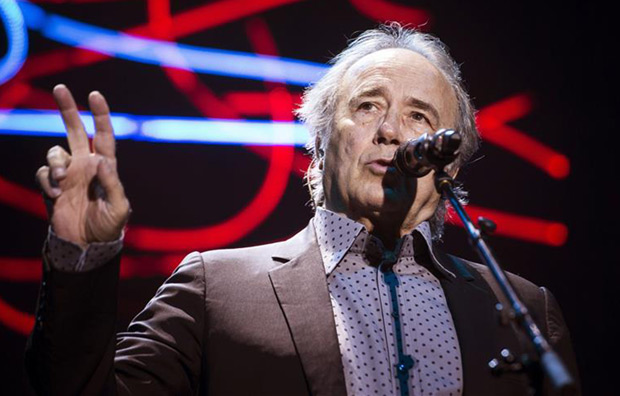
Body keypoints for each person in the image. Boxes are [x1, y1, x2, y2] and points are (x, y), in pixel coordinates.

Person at [25, 24, 579, 395]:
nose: (390, 130)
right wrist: (83, 254)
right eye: (368, 106)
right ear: (318, 145)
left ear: (449, 162)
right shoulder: (213, 289)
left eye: (418, 117)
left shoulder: (527, 312)